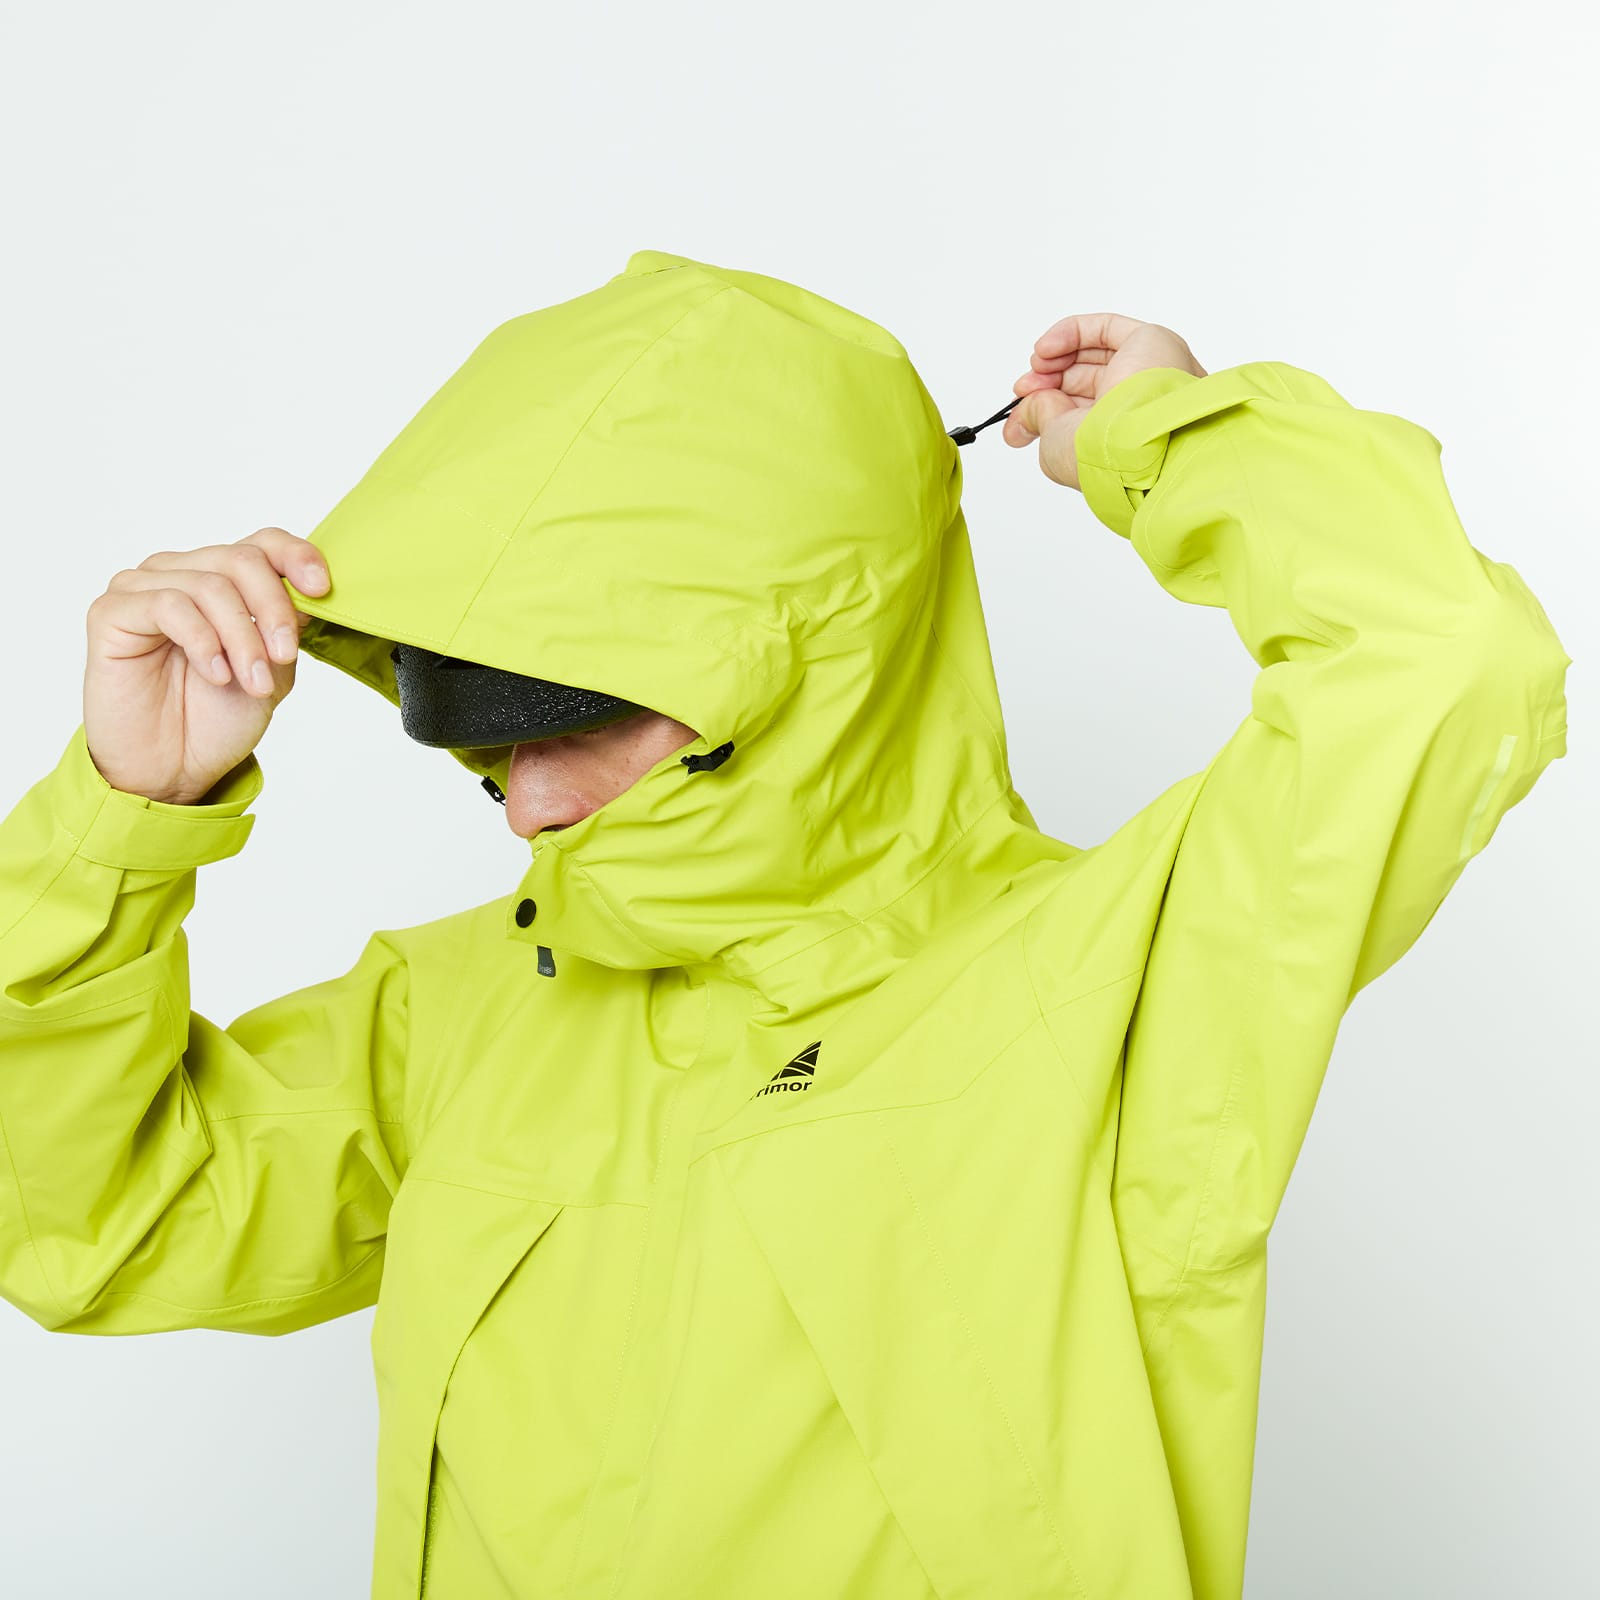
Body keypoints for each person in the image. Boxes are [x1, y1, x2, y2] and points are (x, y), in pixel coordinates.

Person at [0, 249, 1570, 1600]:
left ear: (805, 663)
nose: (526, 807)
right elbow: (96, 1223)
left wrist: (1168, 441)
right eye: (480, 744)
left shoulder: (1116, 981)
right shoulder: (468, 1005)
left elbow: (1442, 663)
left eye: (572, 723)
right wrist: (122, 817)